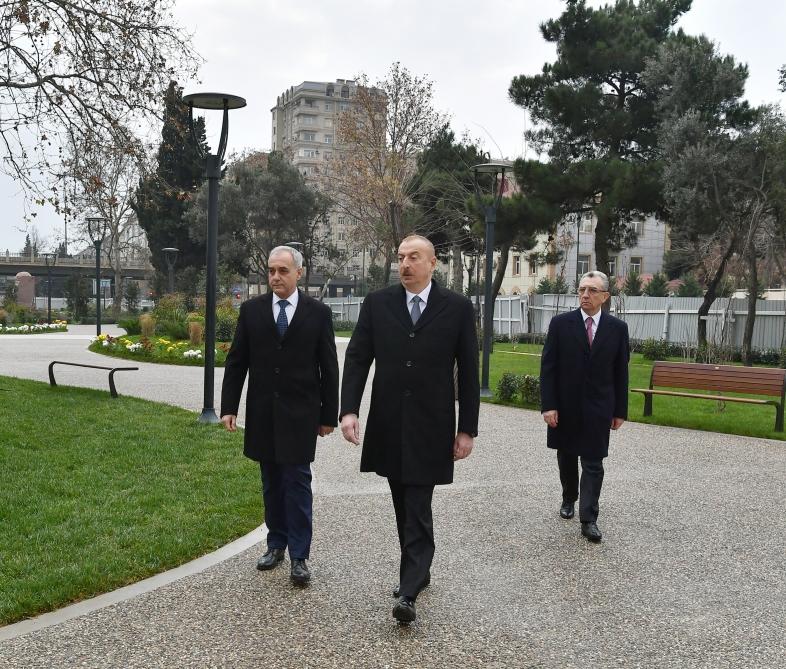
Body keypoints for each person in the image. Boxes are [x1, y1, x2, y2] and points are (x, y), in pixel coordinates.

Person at [340, 234, 480, 623]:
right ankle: (419, 568)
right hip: (389, 421)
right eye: (400, 257)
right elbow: (357, 357)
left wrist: (467, 428)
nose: (404, 264)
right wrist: (348, 410)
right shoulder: (377, 303)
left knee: (417, 501)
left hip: (432, 425)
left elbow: (469, 371)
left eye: (413, 257)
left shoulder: (456, 308)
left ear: (432, 263)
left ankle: (408, 590)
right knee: (402, 499)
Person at [220, 245, 339, 584]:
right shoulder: (252, 311)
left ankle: (300, 556)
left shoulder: (318, 313)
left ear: (299, 273)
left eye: (283, 271)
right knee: (271, 482)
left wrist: (328, 415)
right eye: (271, 271)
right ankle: (276, 545)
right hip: (263, 413)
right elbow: (237, 362)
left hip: (301, 414)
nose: (275, 277)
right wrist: (229, 407)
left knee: (297, 482)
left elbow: (329, 367)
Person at [540, 270, 629, 543]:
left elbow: (621, 372)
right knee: (567, 456)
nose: (585, 295)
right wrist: (549, 405)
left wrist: (620, 411)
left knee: (593, 462)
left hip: (599, 407)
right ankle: (569, 496)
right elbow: (548, 368)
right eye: (581, 289)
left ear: (605, 296)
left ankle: (589, 519)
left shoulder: (617, 329)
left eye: (592, 290)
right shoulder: (561, 324)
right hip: (565, 406)